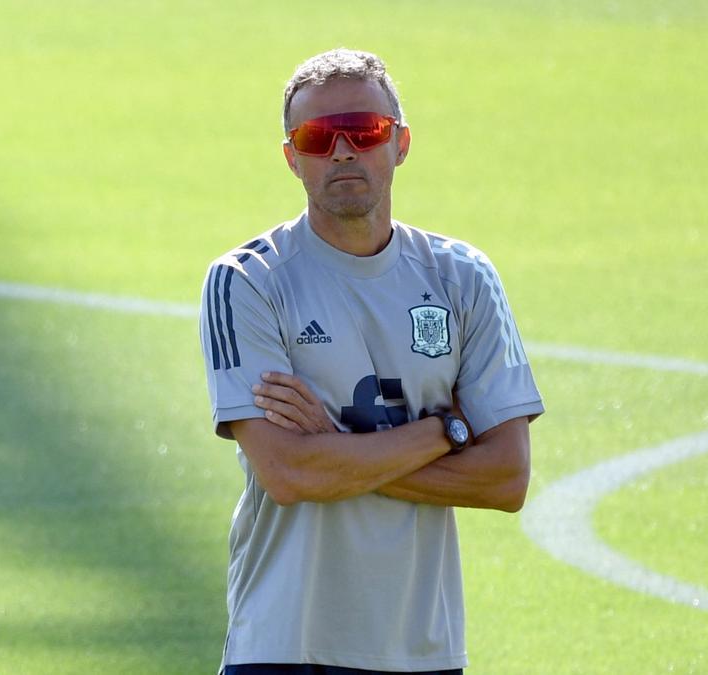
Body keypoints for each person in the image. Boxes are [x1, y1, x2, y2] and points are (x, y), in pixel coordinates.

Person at [199, 48, 544, 675]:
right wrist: (448, 431)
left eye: (364, 131)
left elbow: (506, 480)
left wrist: (333, 448)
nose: (341, 151)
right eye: (317, 136)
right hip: (284, 645)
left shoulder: (464, 278)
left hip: (420, 650)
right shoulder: (248, 281)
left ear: (402, 143)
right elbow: (289, 475)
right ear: (291, 157)